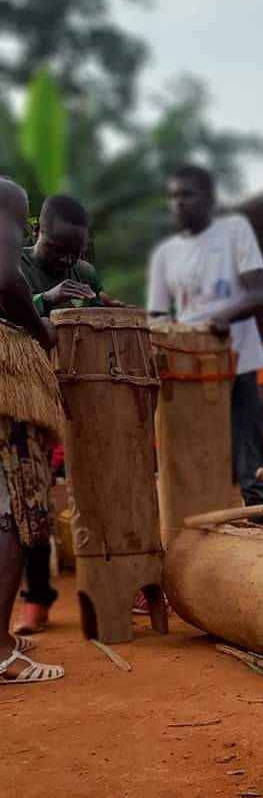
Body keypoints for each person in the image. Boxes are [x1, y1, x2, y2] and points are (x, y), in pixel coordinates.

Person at [15, 196, 120, 635]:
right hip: (28, 397)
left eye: (76, 252)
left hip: (84, 395)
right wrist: (44, 299)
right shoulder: (15, 266)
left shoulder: (85, 273)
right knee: (34, 495)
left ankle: (117, 578)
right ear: (38, 232)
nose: (67, 259)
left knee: (104, 483)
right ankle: (36, 598)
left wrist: (108, 309)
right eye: (58, 248)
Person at [147, 165, 263, 504]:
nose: (179, 203)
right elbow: (157, 314)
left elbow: (257, 292)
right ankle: (203, 542)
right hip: (189, 371)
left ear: (210, 198)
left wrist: (222, 319)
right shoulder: (165, 254)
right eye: (174, 196)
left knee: (250, 461)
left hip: (240, 362)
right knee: (197, 457)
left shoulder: (234, 230)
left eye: (188, 194)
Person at [0, 178, 64, 684]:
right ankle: (1, 652)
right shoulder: (8, 197)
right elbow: (5, 277)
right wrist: (41, 330)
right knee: (14, 513)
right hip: (6, 391)